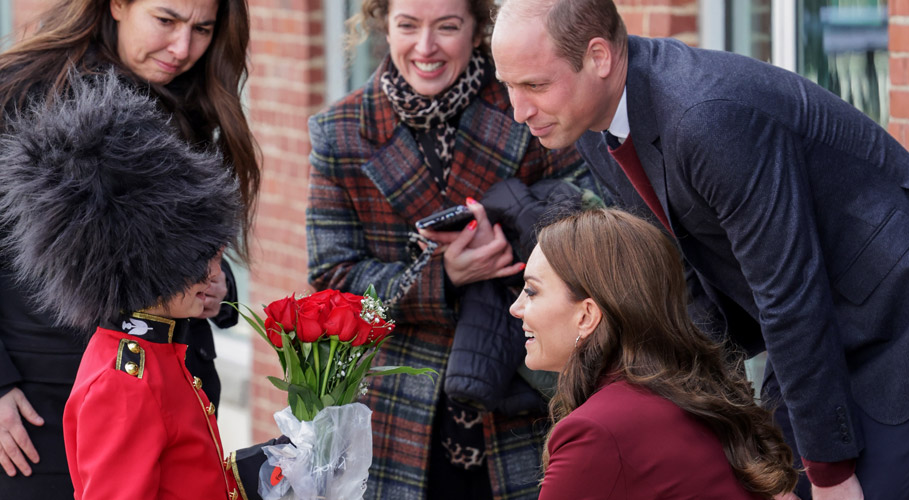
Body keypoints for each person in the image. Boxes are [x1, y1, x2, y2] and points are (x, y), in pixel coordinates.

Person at [491, 1, 909, 499]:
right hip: (811, 314)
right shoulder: (590, 125)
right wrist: (699, 406)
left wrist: (830, 472)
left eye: (535, 84)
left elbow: (789, 292)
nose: (519, 110)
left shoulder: (705, 115)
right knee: (778, 478)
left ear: (598, 57)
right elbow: (681, 282)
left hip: (906, 302)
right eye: (508, 85)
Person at [306, 0, 595, 498]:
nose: (425, 47)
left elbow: (593, 234)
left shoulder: (531, 109)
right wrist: (443, 278)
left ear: (478, 28)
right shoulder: (341, 131)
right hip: (401, 410)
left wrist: (510, 240)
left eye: (447, 26)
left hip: (524, 395)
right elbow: (332, 275)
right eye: (407, 26)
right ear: (383, 26)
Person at [0, 0, 259, 496]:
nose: (183, 48)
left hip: (177, 389)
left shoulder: (192, 96)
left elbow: (179, 237)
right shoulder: (22, 90)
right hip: (45, 409)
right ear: (117, 4)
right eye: (166, 20)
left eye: (203, 29)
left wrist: (217, 285)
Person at [508, 208, 797, 499]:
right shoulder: (685, 395)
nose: (515, 308)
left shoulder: (595, 431)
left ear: (586, 316)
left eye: (531, 291)